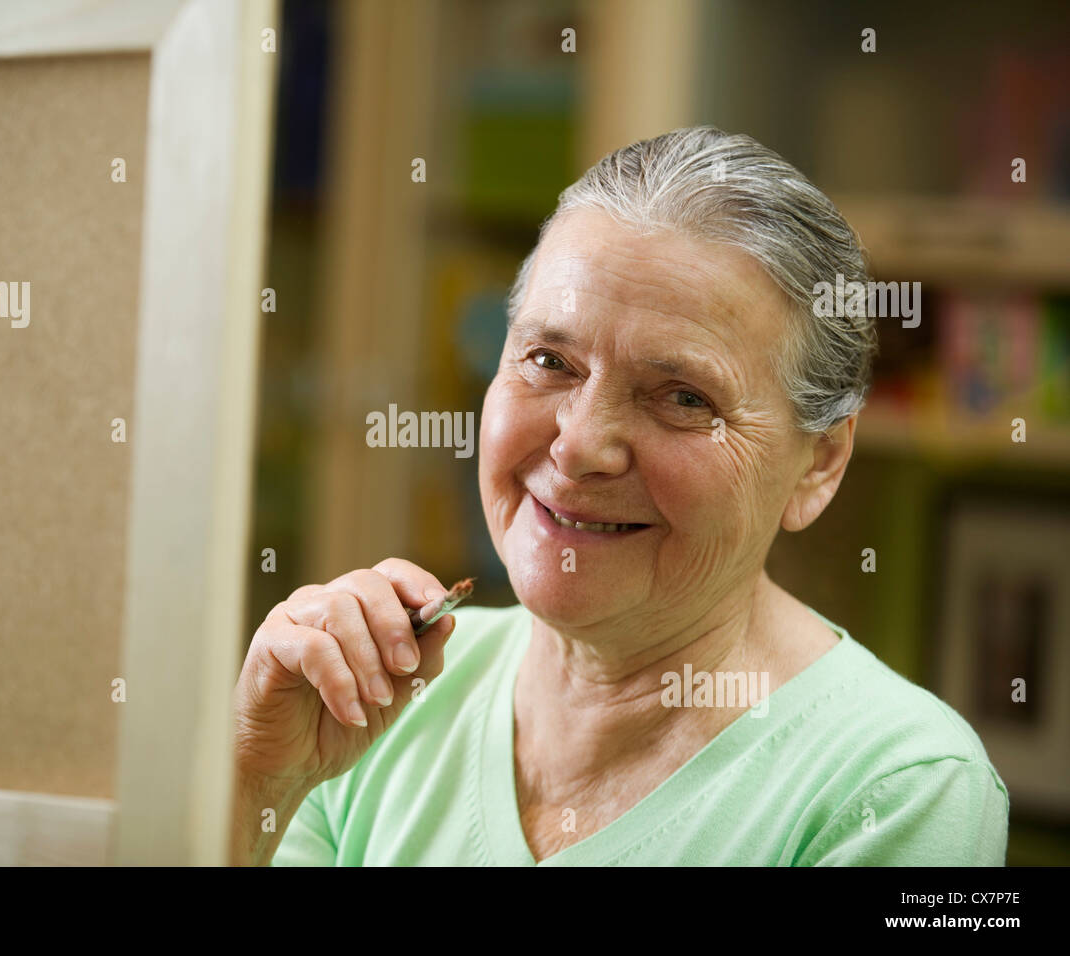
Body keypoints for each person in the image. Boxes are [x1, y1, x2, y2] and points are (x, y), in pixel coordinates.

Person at [229, 126, 1009, 866]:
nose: (578, 445)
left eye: (682, 397)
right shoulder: (376, 700)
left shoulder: (904, 790)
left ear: (819, 464)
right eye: (548, 360)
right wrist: (261, 782)